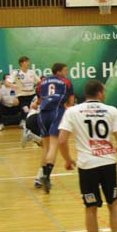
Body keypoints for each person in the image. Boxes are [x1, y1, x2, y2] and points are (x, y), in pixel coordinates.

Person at [58, 80, 117, 232]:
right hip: (108, 164)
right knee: (113, 204)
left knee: (90, 209)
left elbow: (62, 140)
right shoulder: (111, 111)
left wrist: (68, 159)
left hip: (87, 166)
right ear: (100, 92)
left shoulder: (72, 111)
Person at [37, 63, 74, 193]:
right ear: (58, 72)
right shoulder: (66, 82)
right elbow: (70, 103)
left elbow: (39, 100)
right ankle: (47, 177)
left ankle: (42, 175)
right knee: (54, 146)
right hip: (56, 112)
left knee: (45, 148)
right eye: (65, 70)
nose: (66, 73)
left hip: (42, 114)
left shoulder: (42, 82)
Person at [7, 56, 41, 126]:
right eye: (26, 62)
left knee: (34, 110)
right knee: (26, 110)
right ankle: (25, 123)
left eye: (28, 61)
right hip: (22, 95)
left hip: (32, 94)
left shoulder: (31, 72)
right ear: (21, 63)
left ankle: (33, 125)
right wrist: (13, 86)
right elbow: (7, 82)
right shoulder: (16, 73)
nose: (28, 63)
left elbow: (39, 82)